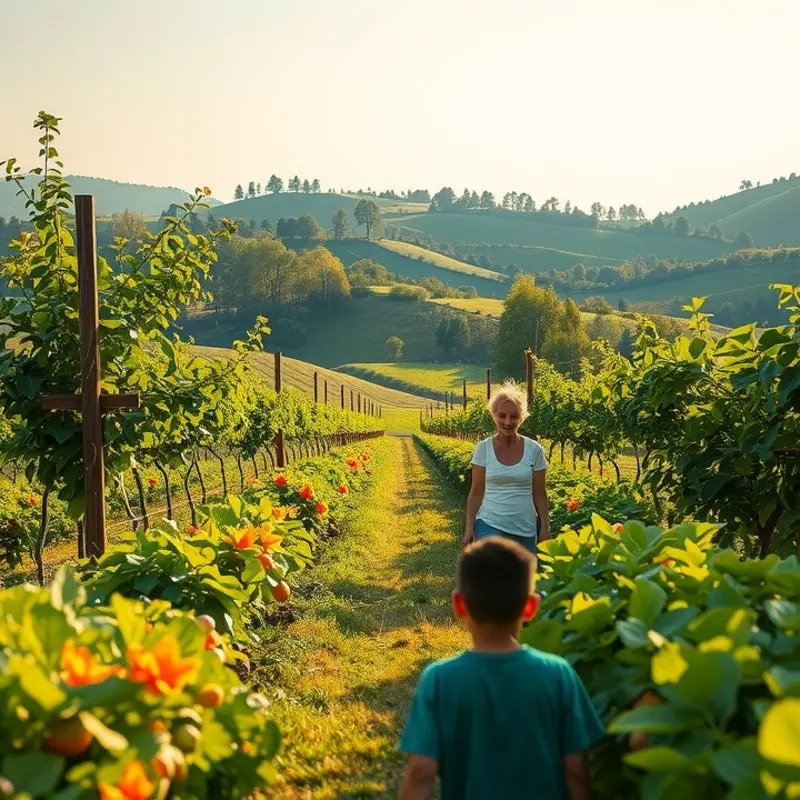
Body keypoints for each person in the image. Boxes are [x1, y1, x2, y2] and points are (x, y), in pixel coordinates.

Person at [399, 538, 604, 800]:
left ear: (459, 605)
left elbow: (420, 773)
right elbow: (575, 769)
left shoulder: (439, 679)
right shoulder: (557, 674)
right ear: (530, 607)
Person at [463, 381, 550, 552]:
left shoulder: (534, 450)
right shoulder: (483, 449)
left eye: (514, 417)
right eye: (502, 416)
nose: (508, 422)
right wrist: (469, 528)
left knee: (522, 578)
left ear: (522, 418)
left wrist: (545, 528)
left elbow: (540, 493)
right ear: (493, 415)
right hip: (489, 523)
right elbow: (476, 492)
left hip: (525, 529)